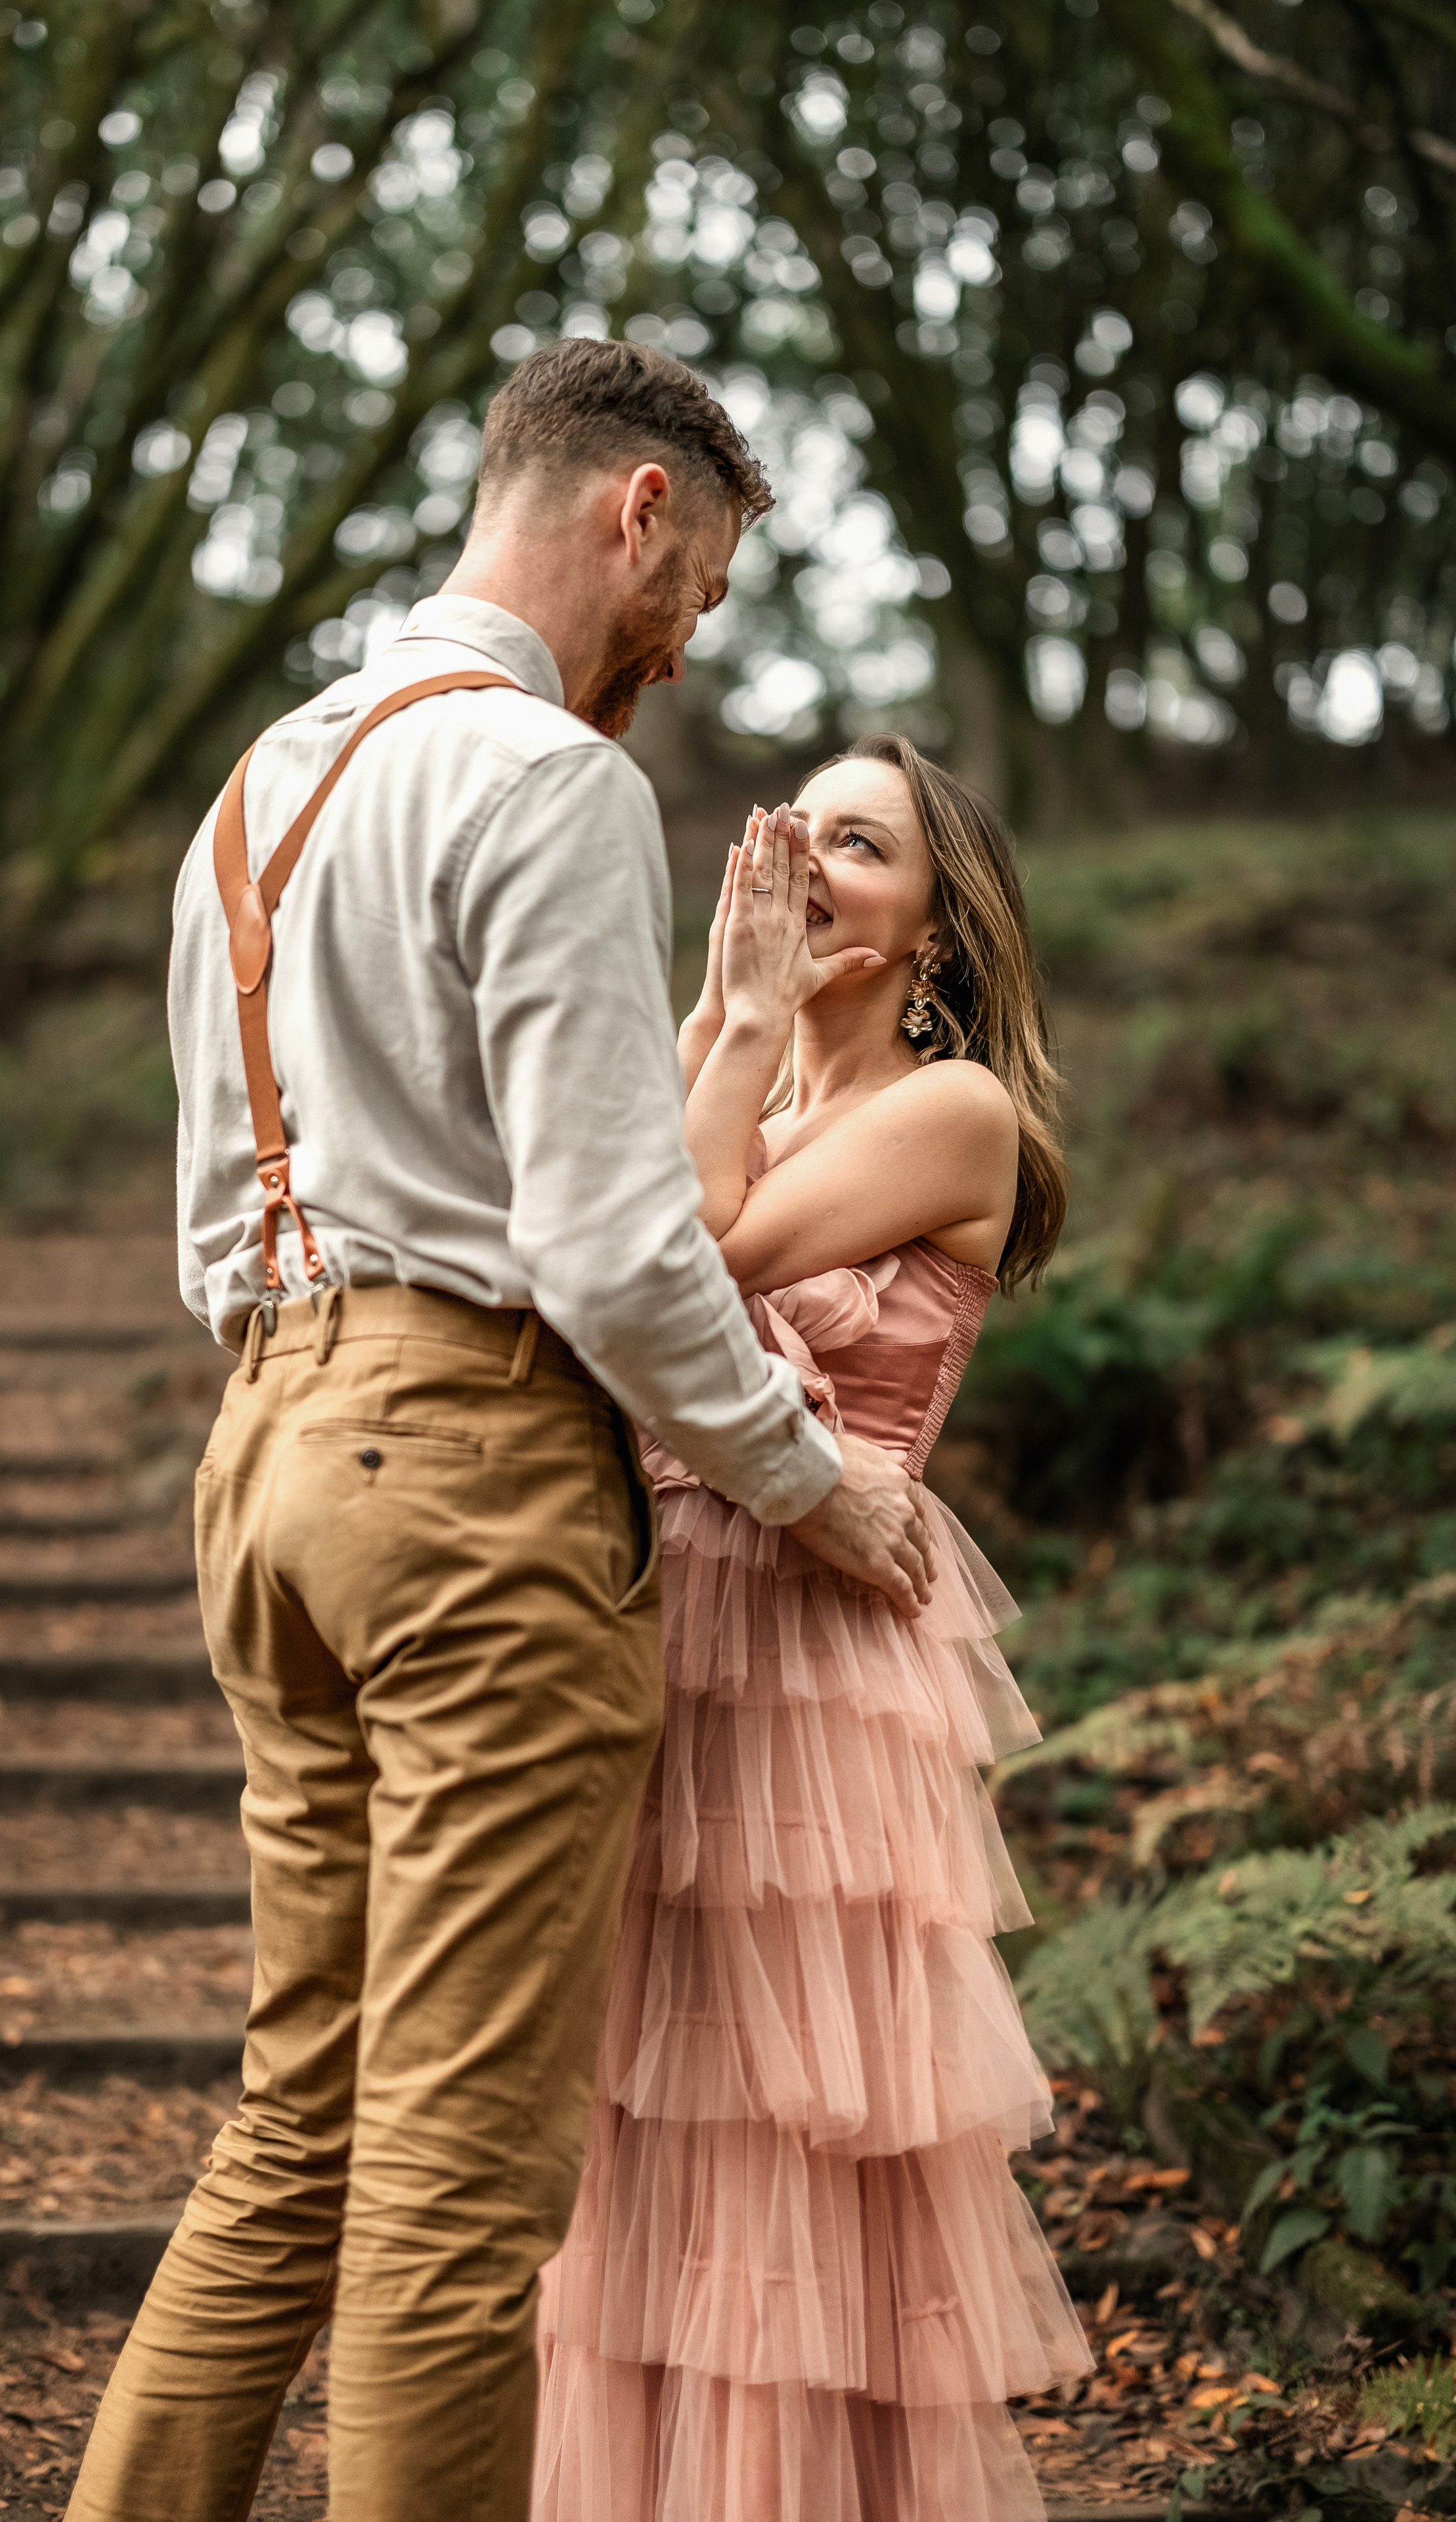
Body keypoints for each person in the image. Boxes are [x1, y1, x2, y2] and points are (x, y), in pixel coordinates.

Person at [66, 340, 934, 2522]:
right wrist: (818, 1486)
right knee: (459, 2194)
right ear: (637, 510)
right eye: (701, 583)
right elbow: (618, 1254)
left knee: (296, 2124)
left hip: (263, 1456)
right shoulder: (547, 782)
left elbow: (205, 1222)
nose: (691, 636)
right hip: (467, 1492)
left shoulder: (258, 783)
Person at [531, 742, 1095, 2522]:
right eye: (800, 823)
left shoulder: (952, 1114)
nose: (807, 855)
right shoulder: (746, 1074)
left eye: (863, 841)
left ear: (938, 928)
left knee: (778, 2132)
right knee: (636, 2137)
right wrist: (720, 1027)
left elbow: (688, 1249)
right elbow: (601, 1269)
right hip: (654, 1628)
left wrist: (741, 1029)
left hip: (808, 1652)